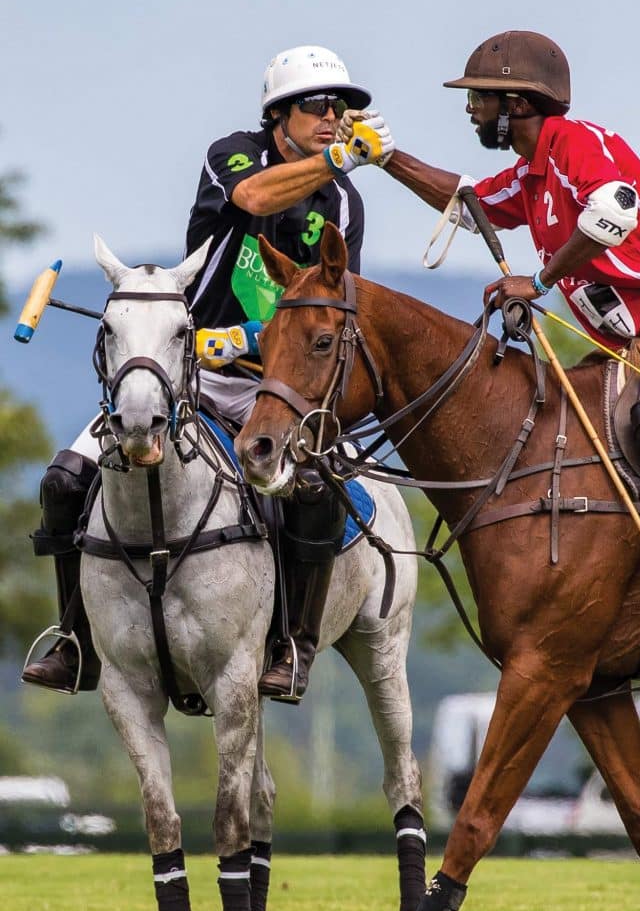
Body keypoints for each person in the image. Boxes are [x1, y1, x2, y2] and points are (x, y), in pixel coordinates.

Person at [22, 44, 395, 702]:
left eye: (343, 109)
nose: (335, 117)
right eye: (319, 106)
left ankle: (293, 646)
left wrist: (250, 336)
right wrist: (334, 159)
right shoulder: (235, 154)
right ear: (279, 115)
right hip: (185, 379)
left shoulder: (342, 204)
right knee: (64, 480)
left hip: (278, 388)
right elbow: (252, 198)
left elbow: (335, 307)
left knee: (312, 495)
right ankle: (76, 641)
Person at [341, 29, 640, 509]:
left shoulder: (576, 143)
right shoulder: (530, 174)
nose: (471, 109)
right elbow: (468, 203)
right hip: (632, 338)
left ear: (516, 105)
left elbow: (613, 211)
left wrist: (538, 282)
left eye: (480, 97)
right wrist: (387, 158)